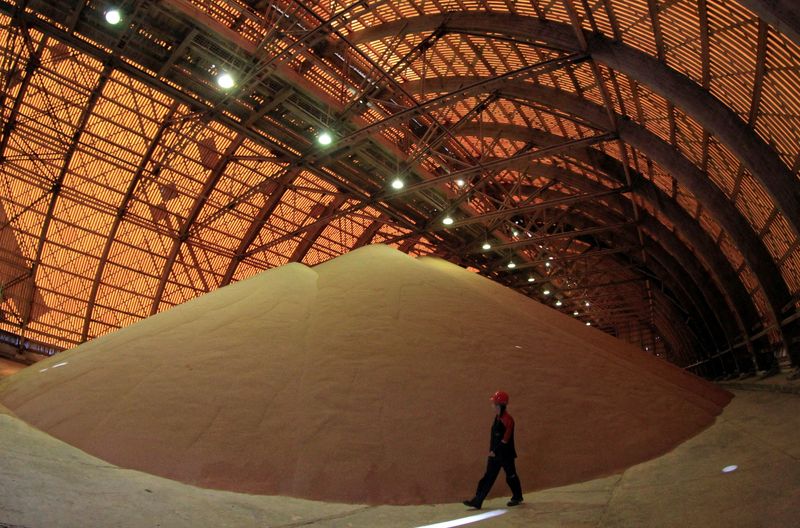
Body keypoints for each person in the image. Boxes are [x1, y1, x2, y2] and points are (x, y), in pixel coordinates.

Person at [463, 390, 524, 509]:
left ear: (500, 405)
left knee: (511, 476)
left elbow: (506, 439)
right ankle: (477, 500)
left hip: (505, 455)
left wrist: (494, 451)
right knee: (488, 477)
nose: (492, 406)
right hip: (495, 454)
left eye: (494, 404)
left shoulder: (508, 420)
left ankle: (517, 496)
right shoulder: (497, 418)